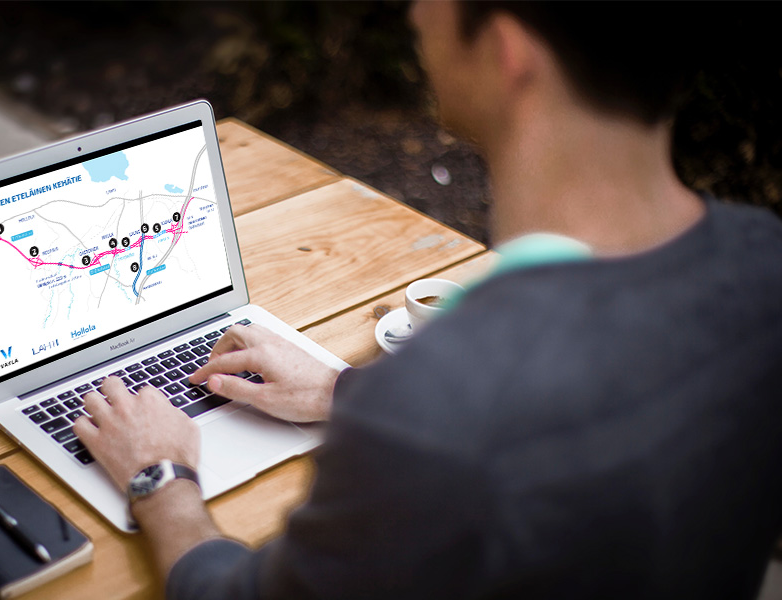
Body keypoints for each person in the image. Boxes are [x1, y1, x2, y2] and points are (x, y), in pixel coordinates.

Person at [73, 1, 782, 597]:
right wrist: (343, 390)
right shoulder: (764, 264)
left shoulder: (441, 411)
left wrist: (160, 477)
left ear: (508, 51)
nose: (414, 11)